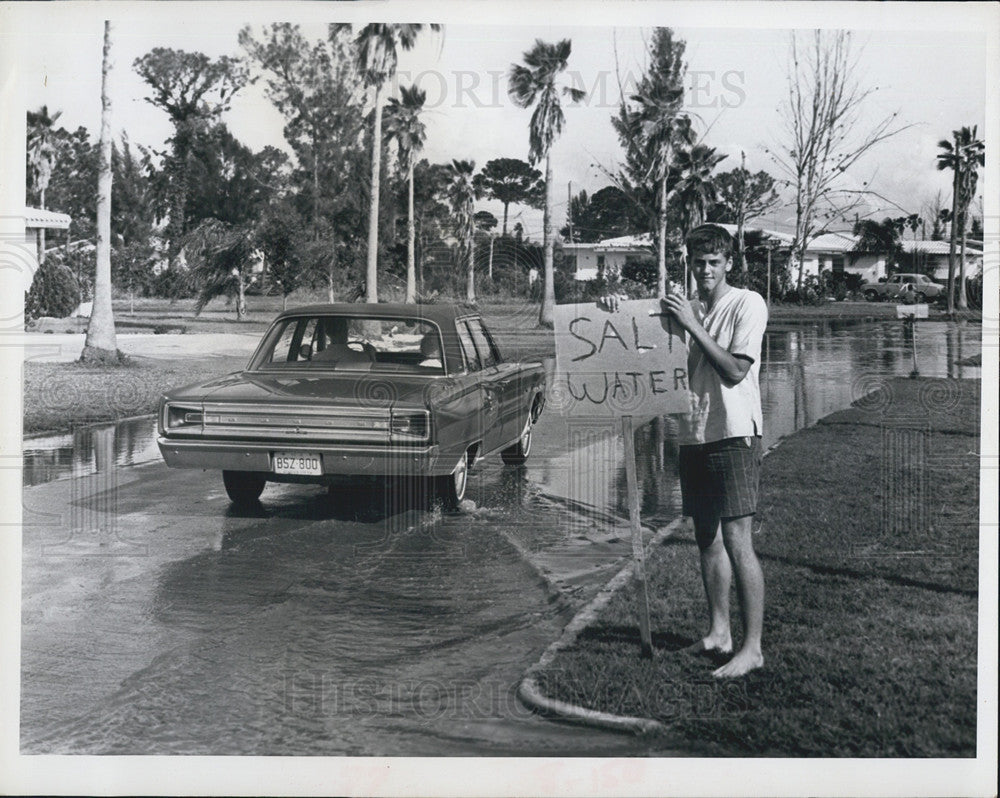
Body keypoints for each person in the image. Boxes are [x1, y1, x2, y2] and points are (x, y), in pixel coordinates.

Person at [603, 224, 768, 678]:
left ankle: (752, 648)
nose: (706, 269)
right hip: (694, 432)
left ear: (729, 263)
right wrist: (614, 312)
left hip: (734, 433)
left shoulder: (747, 303)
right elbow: (637, 343)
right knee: (707, 538)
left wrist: (693, 325)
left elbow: (735, 371)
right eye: (698, 261)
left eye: (715, 261)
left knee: (738, 540)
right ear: (689, 263)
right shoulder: (685, 307)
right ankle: (719, 633)